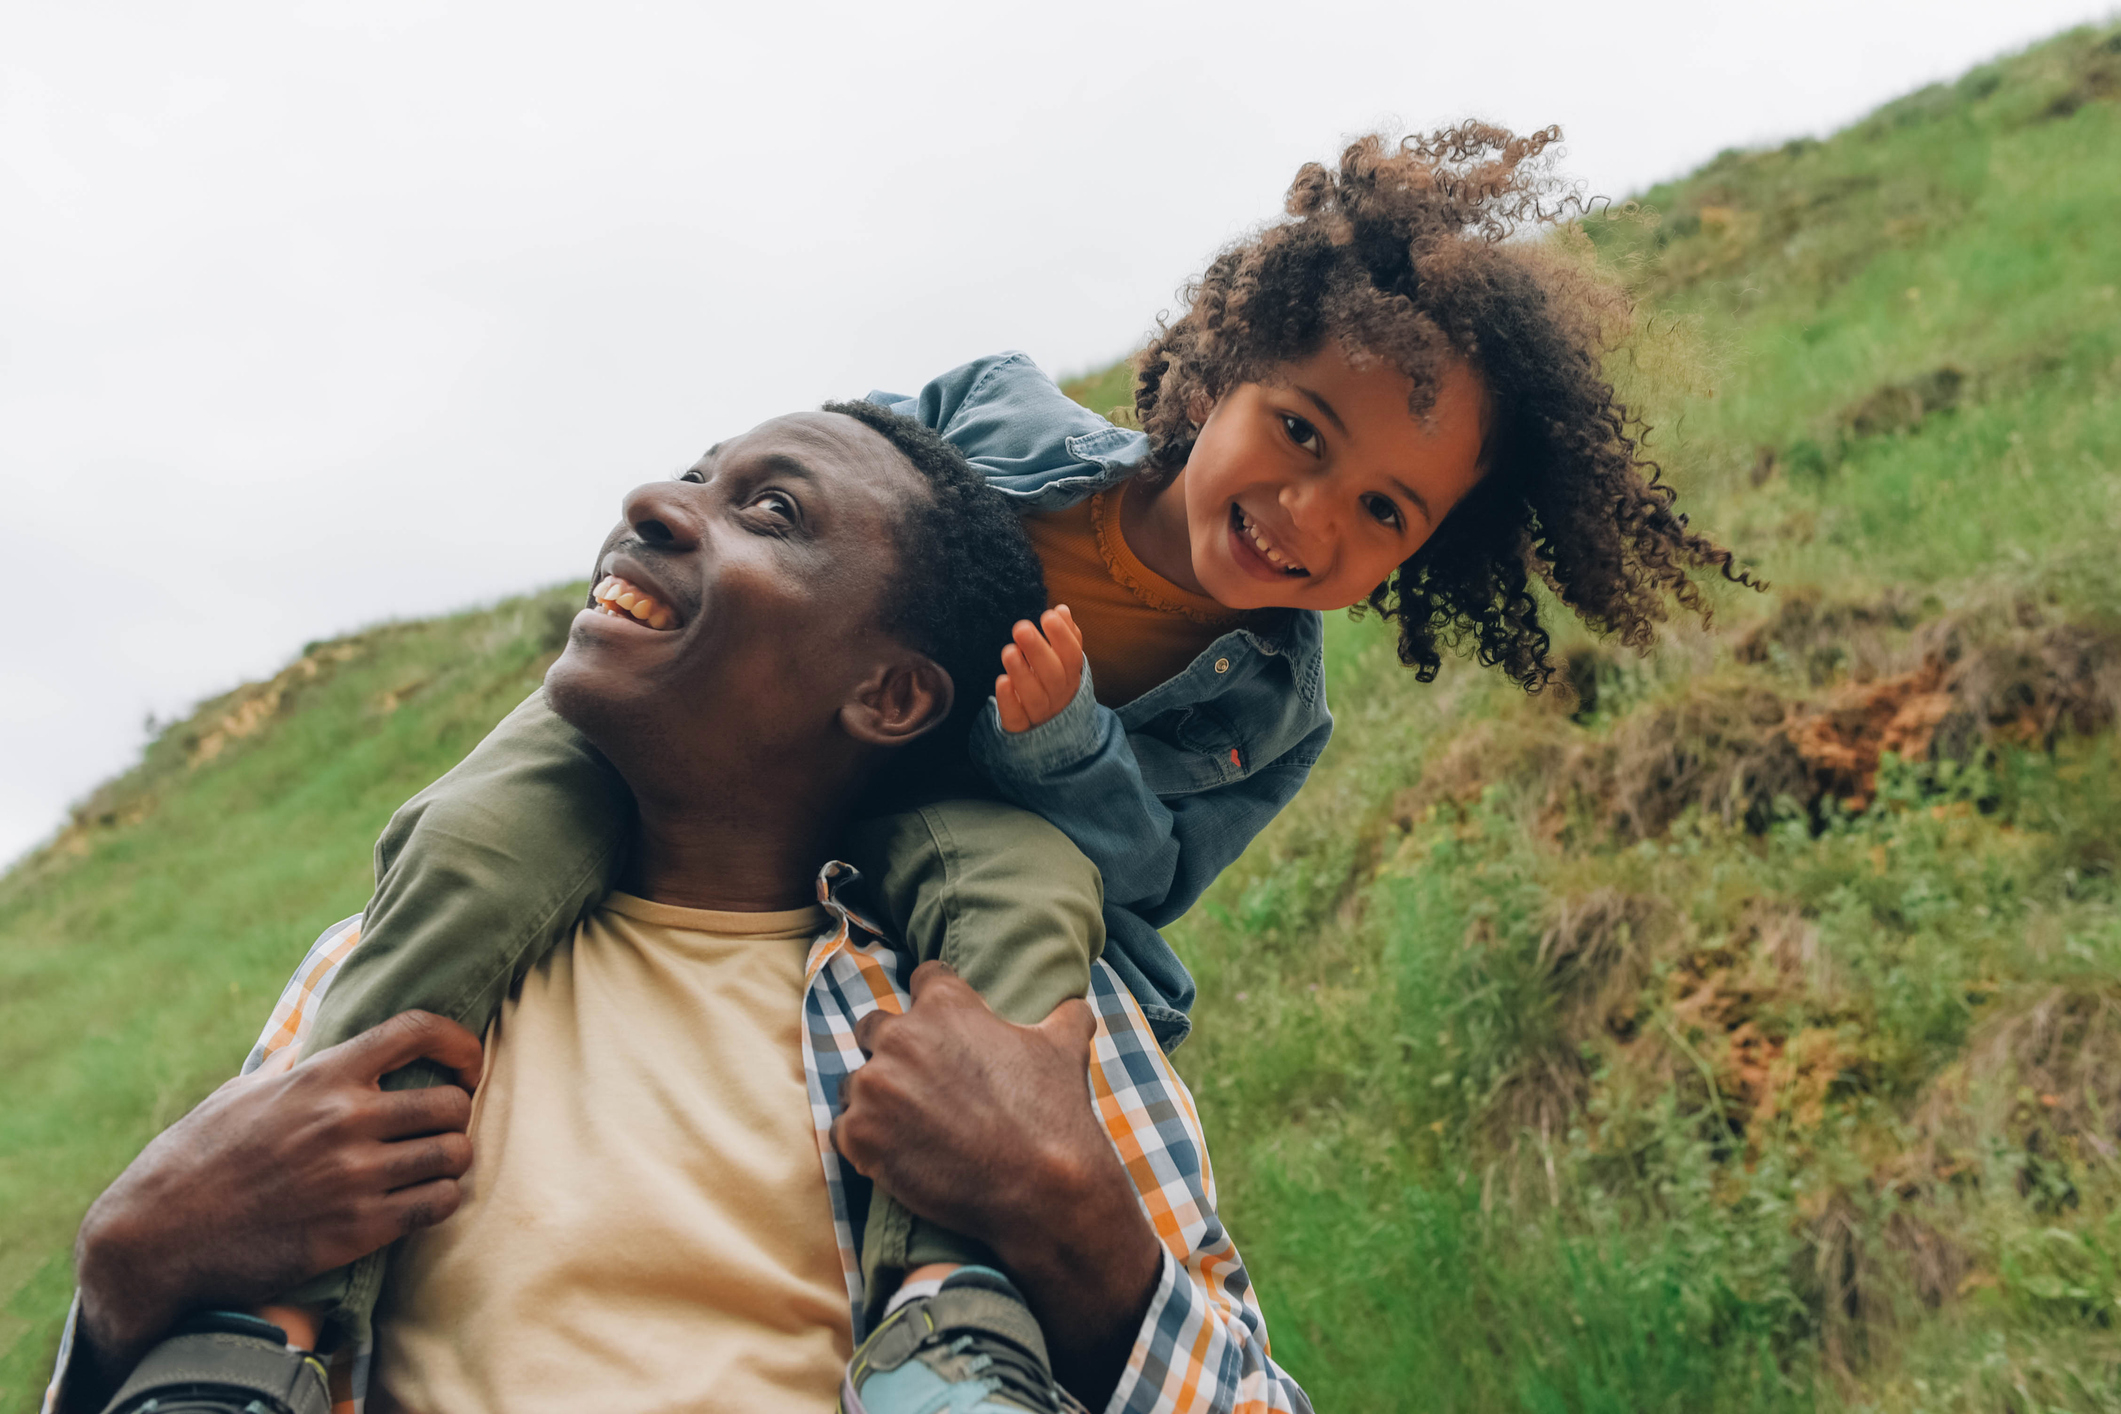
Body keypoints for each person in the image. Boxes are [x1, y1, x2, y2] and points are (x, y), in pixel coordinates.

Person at [208, 122, 1759, 1405]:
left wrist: (1064, 739)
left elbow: (1144, 877)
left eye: (1381, 515)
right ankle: (274, 1300)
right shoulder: (1004, 413)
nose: (1311, 514)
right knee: (480, 835)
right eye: (1299, 433)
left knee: (1032, 893)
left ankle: (952, 1314)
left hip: (957, 830)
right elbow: (825, 463)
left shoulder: (1273, 708)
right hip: (728, 741)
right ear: (1218, 369)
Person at [49, 404, 1311, 1414]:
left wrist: (1083, 1230)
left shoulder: (1019, 1027)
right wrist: (125, 1274)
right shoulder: (388, 963)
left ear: (891, 695)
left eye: (770, 510)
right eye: (694, 475)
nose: (654, 503)